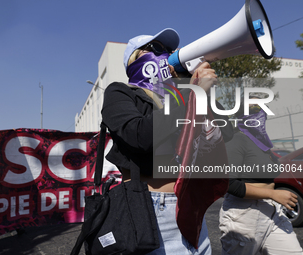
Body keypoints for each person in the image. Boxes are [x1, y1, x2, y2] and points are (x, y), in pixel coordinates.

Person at [101, 28, 232, 254]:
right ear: (135, 59)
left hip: (190, 206)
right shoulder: (121, 93)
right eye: (157, 49)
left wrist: (197, 91)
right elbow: (139, 136)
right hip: (152, 208)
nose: (167, 54)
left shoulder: (180, 95)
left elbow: (227, 132)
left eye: (169, 50)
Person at [219, 96, 303, 255]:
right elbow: (227, 183)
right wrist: (272, 193)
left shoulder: (262, 143)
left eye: (263, 108)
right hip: (244, 215)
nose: (260, 113)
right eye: (254, 108)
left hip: (273, 212)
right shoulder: (236, 140)